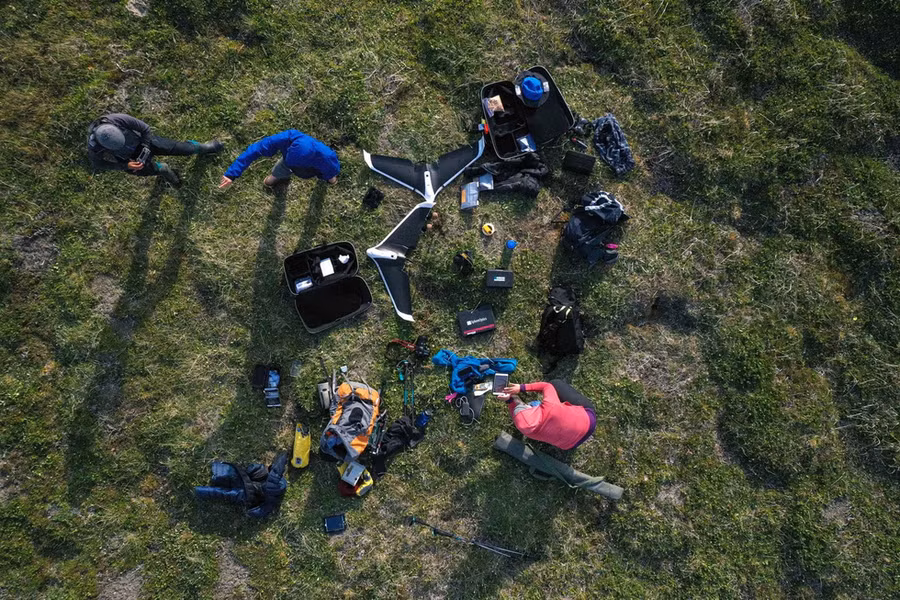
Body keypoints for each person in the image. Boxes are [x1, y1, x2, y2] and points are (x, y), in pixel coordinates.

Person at [87, 113, 223, 187]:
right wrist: (125, 165)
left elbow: (144, 128)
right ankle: (164, 171)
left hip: (145, 142)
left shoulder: (116, 119)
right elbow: (98, 164)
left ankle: (201, 147)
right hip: (128, 159)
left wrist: (145, 147)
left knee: (183, 149)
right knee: (150, 170)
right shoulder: (94, 145)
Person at [218, 130, 340, 189]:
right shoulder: (286, 138)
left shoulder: (327, 158)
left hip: (313, 168)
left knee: (330, 174)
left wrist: (330, 175)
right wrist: (231, 174)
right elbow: (254, 150)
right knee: (281, 168)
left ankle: (332, 181)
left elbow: (330, 168)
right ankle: (272, 180)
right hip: (288, 162)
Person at [498, 379, 596, 450]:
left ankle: (534, 405)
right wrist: (521, 387)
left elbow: (516, 410)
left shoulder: (527, 431)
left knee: (535, 404)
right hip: (588, 421)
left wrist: (510, 400)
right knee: (556, 383)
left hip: (570, 445)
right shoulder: (550, 405)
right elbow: (547, 386)